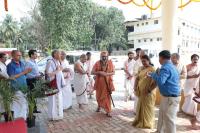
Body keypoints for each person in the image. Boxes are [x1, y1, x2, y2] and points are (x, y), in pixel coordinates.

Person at [148, 50, 180, 133]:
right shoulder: (173, 66)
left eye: (159, 58)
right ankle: (159, 131)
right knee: (162, 115)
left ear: (161, 58)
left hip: (171, 98)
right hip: (167, 96)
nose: (159, 60)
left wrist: (152, 74)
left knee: (169, 120)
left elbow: (161, 81)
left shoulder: (165, 67)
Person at [132, 55, 157, 129]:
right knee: (140, 106)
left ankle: (147, 123)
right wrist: (135, 87)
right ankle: (140, 121)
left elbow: (155, 81)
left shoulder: (152, 69)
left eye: (145, 61)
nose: (143, 62)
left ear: (148, 60)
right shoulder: (140, 68)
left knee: (148, 107)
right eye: (142, 61)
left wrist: (150, 89)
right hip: (141, 91)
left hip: (149, 92)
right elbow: (137, 78)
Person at [7, 50, 32, 120]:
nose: (20, 56)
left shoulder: (22, 63)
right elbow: (11, 77)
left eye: (20, 55)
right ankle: (17, 120)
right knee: (17, 105)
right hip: (16, 88)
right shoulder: (10, 65)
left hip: (24, 87)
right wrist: (24, 72)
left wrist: (27, 72)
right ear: (13, 56)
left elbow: (24, 74)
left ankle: (23, 119)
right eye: (18, 55)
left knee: (24, 104)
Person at [92, 51, 115, 117]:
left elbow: (113, 72)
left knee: (107, 97)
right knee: (98, 96)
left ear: (107, 57)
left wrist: (106, 74)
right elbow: (92, 72)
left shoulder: (110, 63)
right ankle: (99, 106)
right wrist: (99, 72)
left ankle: (108, 111)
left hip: (107, 83)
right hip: (99, 83)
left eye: (105, 56)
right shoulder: (97, 63)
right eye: (103, 56)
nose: (104, 58)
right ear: (100, 57)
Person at [45, 50, 65, 120]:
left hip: (58, 85)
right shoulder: (50, 61)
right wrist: (58, 70)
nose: (61, 55)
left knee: (58, 100)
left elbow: (60, 70)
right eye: (59, 54)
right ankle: (52, 116)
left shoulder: (57, 61)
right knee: (53, 100)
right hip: (53, 85)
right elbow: (48, 74)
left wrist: (59, 66)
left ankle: (58, 115)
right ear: (54, 54)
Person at [133, 49, 145, 114]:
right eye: (141, 55)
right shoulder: (137, 63)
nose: (142, 56)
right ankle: (136, 110)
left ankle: (142, 110)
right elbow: (134, 73)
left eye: (143, 55)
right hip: (138, 82)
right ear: (139, 55)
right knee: (137, 97)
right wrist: (142, 74)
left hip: (145, 83)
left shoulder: (147, 61)